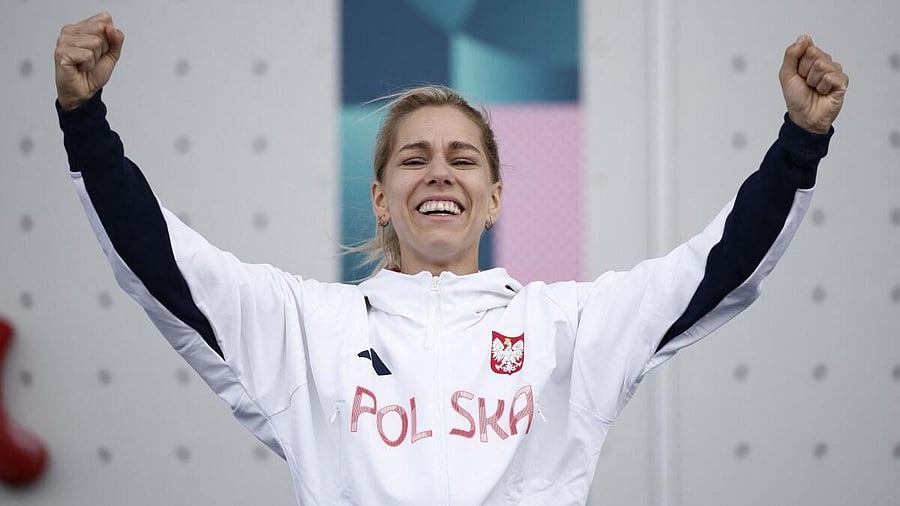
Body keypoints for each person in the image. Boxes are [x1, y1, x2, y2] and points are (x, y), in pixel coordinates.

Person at [55, 12, 848, 506]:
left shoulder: (565, 327)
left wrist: (800, 142)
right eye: (415, 159)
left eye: (463, 159)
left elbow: (714, 270)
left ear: (494, 197)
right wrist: (85, 122)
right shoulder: (310, 327)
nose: (439, 172)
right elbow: (166, 265)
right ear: (379, 197)